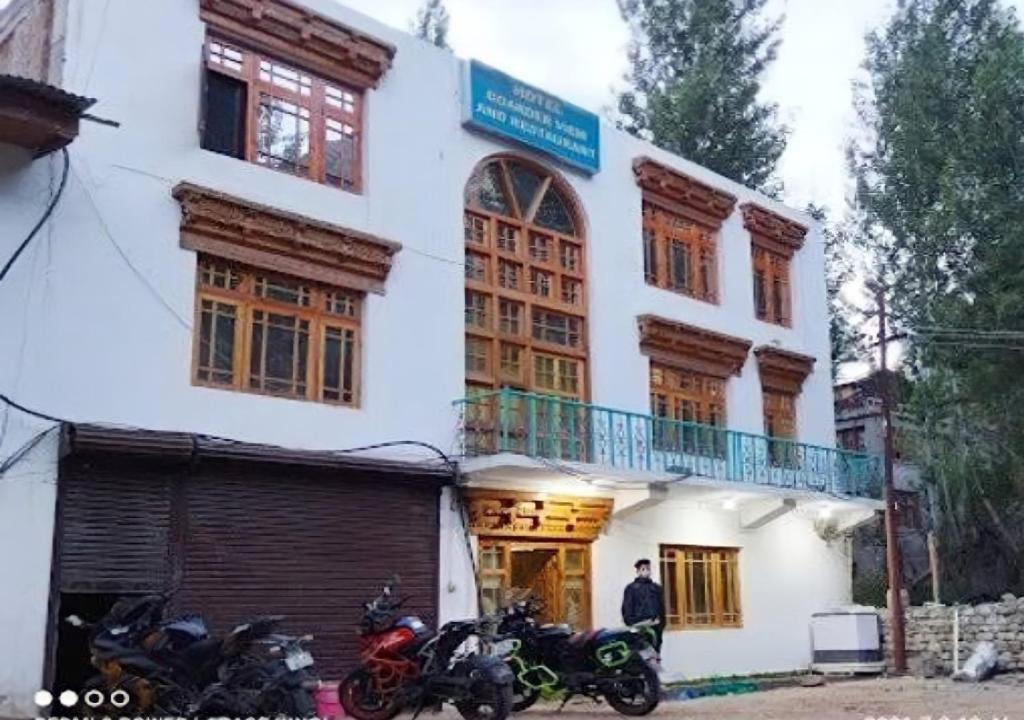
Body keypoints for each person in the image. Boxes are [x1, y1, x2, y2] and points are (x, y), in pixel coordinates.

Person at [621, 558, 665, 653]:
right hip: (639, 626)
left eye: (648, 568)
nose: (646, 571)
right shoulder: (631, 588)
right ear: (638, 571)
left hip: (655, 626)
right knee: (640, 654)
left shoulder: (656, 588)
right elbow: (626, 607)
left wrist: (661, 625)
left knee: (655, 654)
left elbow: (661, 607)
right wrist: (631, 623)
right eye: (643, 569)